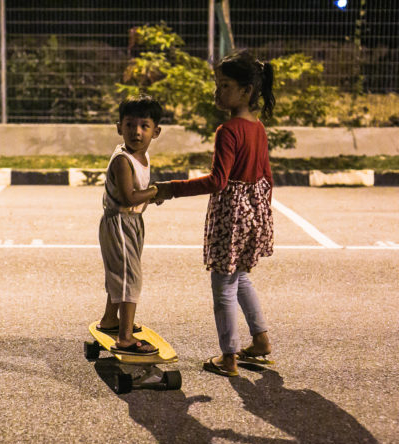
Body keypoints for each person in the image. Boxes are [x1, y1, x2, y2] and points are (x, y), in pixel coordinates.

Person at [154, 50, 276, 377]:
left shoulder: (229, 130)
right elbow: (267, 177)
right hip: (254, 214)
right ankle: (261, 341)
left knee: (223, 287)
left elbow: (217, 181)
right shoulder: (258, 128)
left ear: (246, 91)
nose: (217, 92)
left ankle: (229, 357)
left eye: (224, 86)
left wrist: (170, 188)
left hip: (230, 218)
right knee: (241, 276)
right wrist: (261, 215)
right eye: (217, 85)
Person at [96, 94, 163, 354]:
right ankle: (124, 338)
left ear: (156, 131)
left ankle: (110, 320)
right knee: (129, 279)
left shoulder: (141, 156)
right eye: (130, 125)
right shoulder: (123, 160)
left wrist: (150, 196)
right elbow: (128, 197)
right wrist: (155, 191)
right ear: (119, 127)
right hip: (120, 223)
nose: (137, 132)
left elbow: (137, 195)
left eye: (144, 126)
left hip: (132, 222)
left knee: (121, 274)